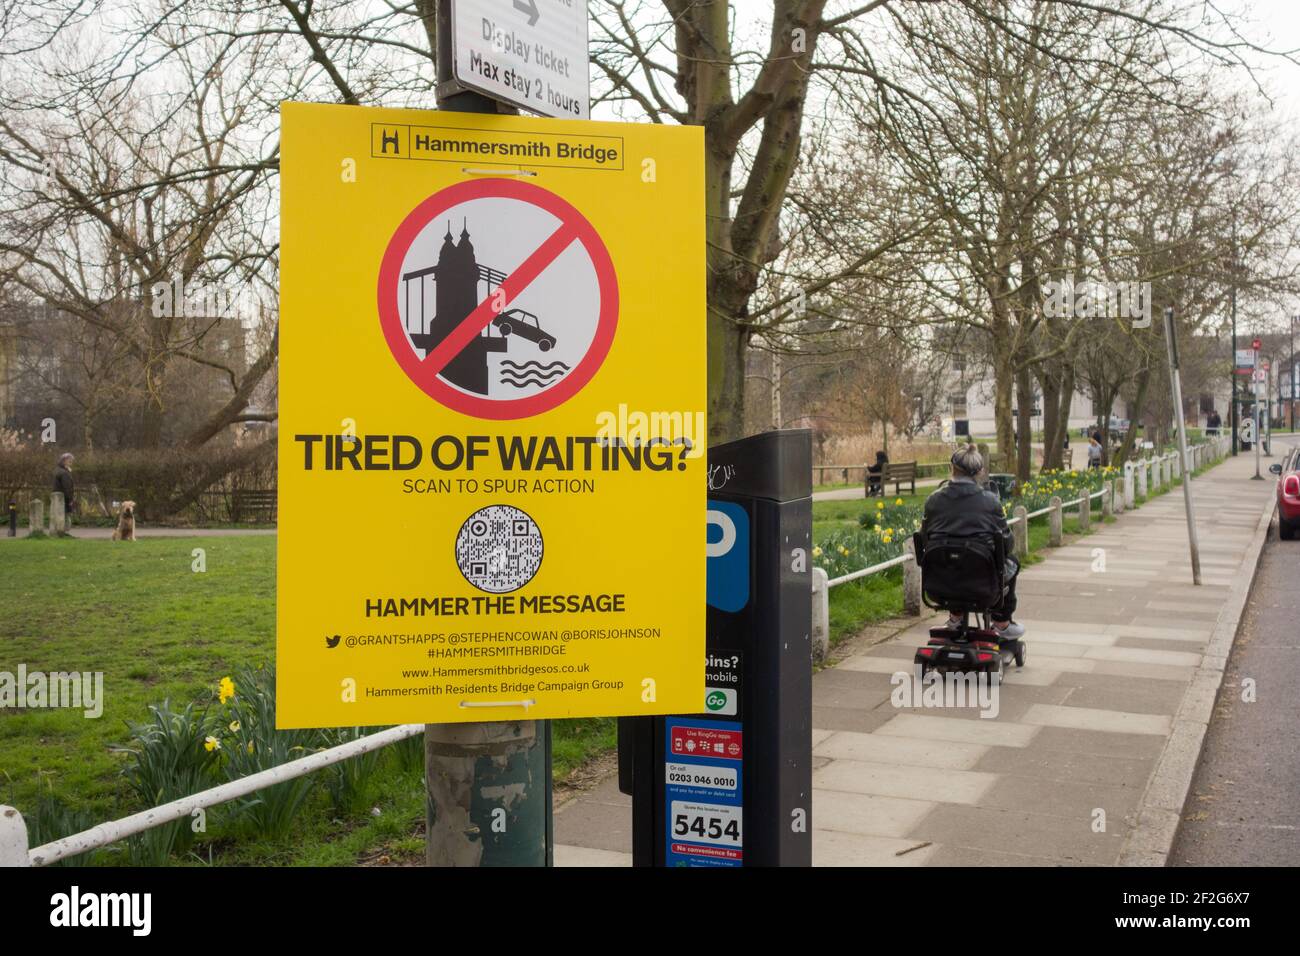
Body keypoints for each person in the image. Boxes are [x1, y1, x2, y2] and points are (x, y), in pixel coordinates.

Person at [921, 444, 1024, 638]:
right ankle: (1001, 622)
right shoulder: (990, 501)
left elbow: (924, 538)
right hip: (981, 581)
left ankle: (955, 617)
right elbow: (1006, 543)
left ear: (951, 468)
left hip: (939, 582)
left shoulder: (933, 500)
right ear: (979, 472)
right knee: (1012, 563)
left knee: (951, 559)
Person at [52, 452, 75, 531]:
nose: (71, 463)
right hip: (64, 498)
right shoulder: (64, 473)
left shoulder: (58, 470)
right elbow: (67, 487)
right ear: (64, 461)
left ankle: (60, 530)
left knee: (59, 515)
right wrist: (70, 500)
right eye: (69, 461)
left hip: (58, 497)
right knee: (66, 516)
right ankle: (64, 531)